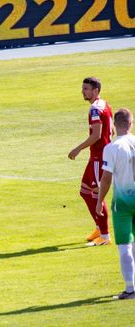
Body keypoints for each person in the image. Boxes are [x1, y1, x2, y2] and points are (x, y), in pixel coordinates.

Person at [68, 77, 113, 246]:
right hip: (98, 156)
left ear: (96, 91)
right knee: (84, 191)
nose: (83, 92)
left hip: (99, 158)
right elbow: (111, 128)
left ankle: (105, 236)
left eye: (86, 89)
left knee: (97, 195)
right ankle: (99, 228)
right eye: (83, 88)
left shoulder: (95, 109)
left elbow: (96, 135)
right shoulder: (104, 104)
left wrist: (78, 148)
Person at [96, 108, 135, 300]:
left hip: (122, 203)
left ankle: (130, 288)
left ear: (113, 124)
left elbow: (106, 178)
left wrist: (99, 200)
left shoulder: (111, 148)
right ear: (131, 123)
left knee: (124, 245)